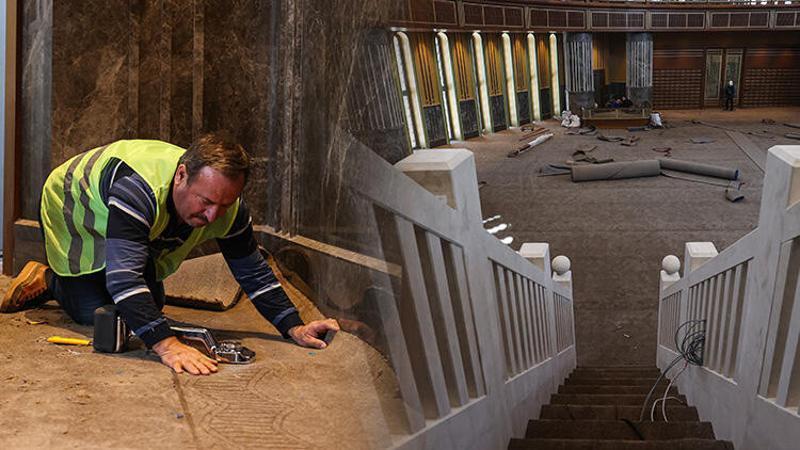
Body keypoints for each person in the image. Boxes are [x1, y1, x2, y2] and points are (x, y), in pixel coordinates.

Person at [1, 133, 339, 375]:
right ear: (181, 175)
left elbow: (252, 271)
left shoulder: (226, 207)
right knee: (94, 313)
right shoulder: (139, 189)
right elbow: (124, 277)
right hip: (76, 206)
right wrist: (165, 343)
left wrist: (293, 326)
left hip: (130, 220)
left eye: (223, 205)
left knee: (144, 306)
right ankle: (50, 278)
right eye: (205, 202)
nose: (212, 217)